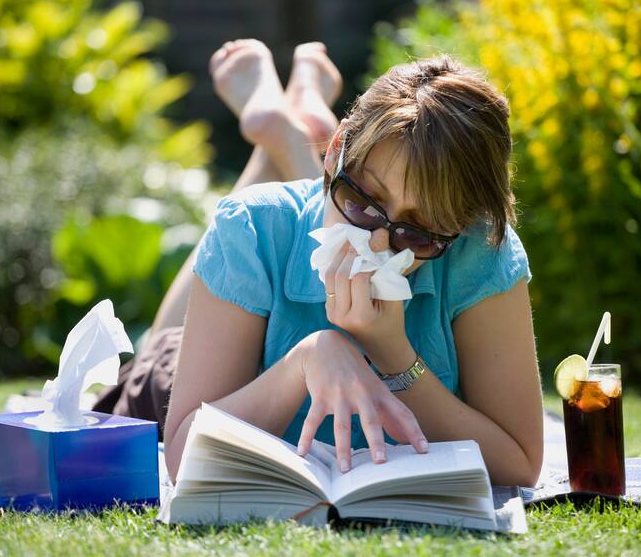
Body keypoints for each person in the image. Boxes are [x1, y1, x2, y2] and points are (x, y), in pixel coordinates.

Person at [93, 39, 544, 487]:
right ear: (335, 151)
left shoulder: (477, 250)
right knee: (166, 336)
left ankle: (287, 139)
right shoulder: (250, 228)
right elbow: (182, 456)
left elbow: (520, 464)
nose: (378, 244)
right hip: (184, 372)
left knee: (302, 216)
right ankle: (283, 141)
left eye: (416, 232)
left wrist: (394, 356)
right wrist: (303, 361)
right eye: (363, 203)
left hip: (314, 206)